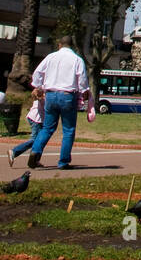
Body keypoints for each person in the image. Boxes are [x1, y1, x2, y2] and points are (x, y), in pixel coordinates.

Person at [27, 35, 90, 170]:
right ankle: (63, 162)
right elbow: (82, 80)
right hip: (67, 96)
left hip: (50, 95)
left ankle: (35, 151)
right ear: (71, 46)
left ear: (59, 45)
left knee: (47, 128)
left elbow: (37, 73)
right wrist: (84, 92)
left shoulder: (50, 57)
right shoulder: (77, 59)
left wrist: (38, 86)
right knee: (68, 130)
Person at [8, 87, 44, 166]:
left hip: (38, 119)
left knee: (41, 140)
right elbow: (36, 93)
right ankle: (14, 151)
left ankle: (35, 160)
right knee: (35, 140)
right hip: (36, 119)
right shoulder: (44, 96)